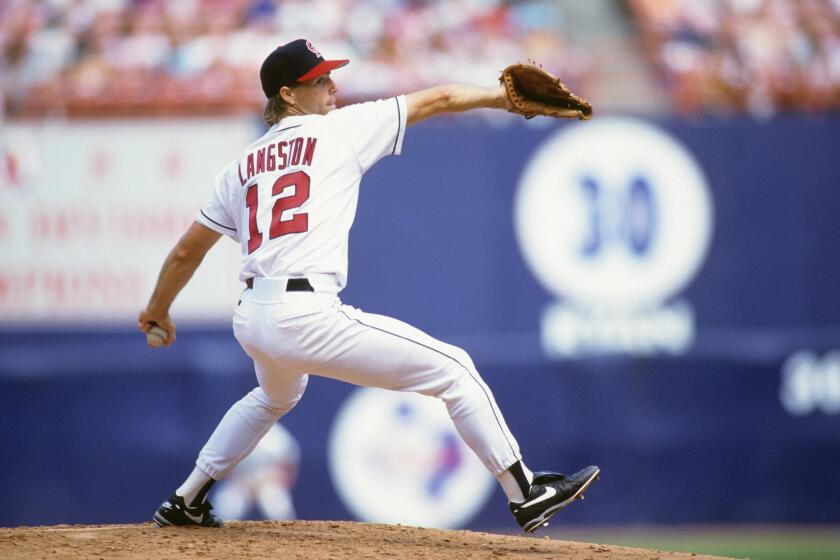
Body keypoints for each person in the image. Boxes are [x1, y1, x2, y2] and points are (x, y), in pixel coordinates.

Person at [138, 38, 599, 533]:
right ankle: (525, 492)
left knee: (274, 396)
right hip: (306, 314)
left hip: (252, 316)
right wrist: (501, 98)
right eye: (320, 80)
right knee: (456, 370)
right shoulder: (338, 132)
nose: (333, 86)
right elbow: (438, 100)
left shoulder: (240, 167)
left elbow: (188, 249)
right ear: (289, 95)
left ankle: (186, 499)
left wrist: (158, 309)